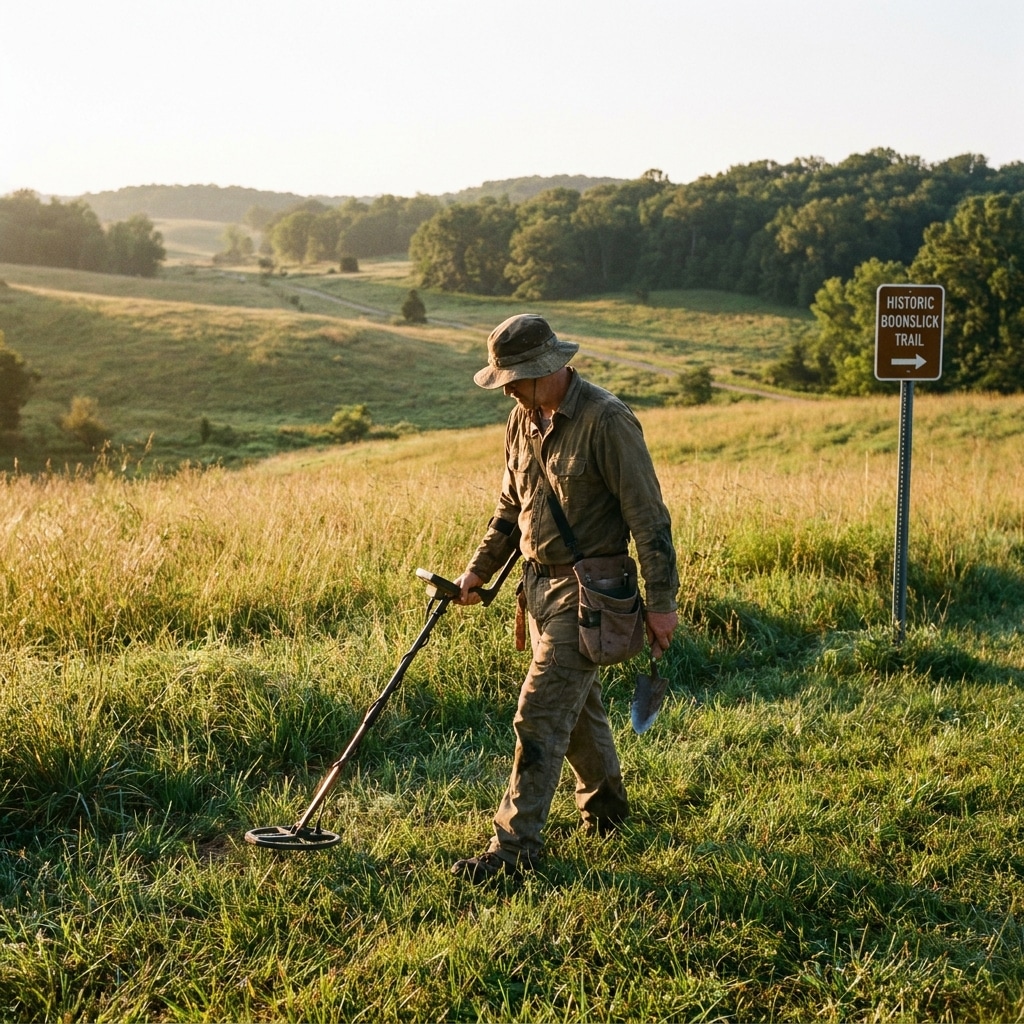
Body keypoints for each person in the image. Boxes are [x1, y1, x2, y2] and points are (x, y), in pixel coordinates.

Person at [450, 313, 679, 883]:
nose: (507, 388)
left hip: (592, 592)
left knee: (540, 715)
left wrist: (661, 601)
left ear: (548, 368)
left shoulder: (608, 420)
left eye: (515, 377)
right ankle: (607, 812)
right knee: (577, 712)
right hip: (537, 588)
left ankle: (512, 852)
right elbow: (510, 509)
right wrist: (477, 573)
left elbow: (648, 519)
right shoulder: (520, 421)